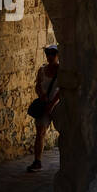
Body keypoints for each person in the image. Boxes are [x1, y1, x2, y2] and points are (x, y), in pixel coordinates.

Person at [26, 43, 60, 172]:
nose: (50, 56)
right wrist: (41, 95)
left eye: (53, 54)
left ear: (57, 55)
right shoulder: (42, 70)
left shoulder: (61, 70)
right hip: (44, 104)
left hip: (57, 105)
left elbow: (62, 89)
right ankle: (37, 161)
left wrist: (52, 104)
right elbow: (38, 85)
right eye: (48, 54)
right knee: (40, 133)